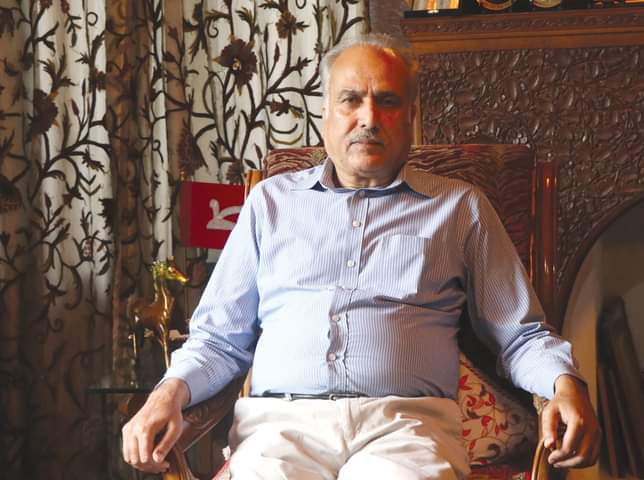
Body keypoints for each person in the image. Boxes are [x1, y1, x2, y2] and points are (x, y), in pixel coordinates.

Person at [122, 33, 600, 479]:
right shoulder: (270, 203)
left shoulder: (459, 207)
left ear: (411, 116)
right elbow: (218, 339)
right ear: (325, 113)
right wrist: (167, 393)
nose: (369, 118)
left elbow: (519, 334)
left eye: (387, 101)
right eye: (351, 100)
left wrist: (565, 384)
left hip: (407, 427)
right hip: (278, 429)